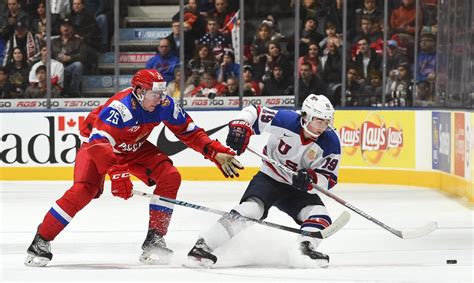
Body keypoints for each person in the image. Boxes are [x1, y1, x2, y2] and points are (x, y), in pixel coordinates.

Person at [25, 69, 243, 267]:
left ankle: (154, 238)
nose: (159, 98)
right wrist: (118, 174)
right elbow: (99, 144)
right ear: (139, 91)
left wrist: (214, 151)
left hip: (133, 148)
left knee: (170, 176)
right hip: (98, 149)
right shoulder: (120, 108)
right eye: (154, 93)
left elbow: (190, 132)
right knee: (83, 191)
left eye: (161, 92)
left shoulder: (164, 104)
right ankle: (41, 240)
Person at [187, 94, 342, 267]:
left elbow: (329, 179)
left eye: (327, 121)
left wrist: (312, 179)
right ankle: (203, 246)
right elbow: (254, 111)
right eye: (319, 121)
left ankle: (304, 249)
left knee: (320, 215)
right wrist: (241, 126)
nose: (324, 126)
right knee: (251, 210)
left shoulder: (331, 142)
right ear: (306, 116)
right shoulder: (287, 120)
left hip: (298, 189)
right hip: (270, 178)